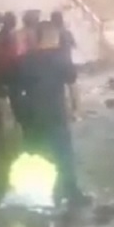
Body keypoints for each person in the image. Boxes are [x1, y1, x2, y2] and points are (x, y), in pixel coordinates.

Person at [16, 20, 89, 208]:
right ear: (53, 37)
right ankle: (71, 194)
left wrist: (21, 117)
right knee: (64, 156)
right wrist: (76, 110)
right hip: (56, 116)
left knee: (36, 156)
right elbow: (73, 87)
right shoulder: (62, 58)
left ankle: (37, 196)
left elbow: (17, 92)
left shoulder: (25, 60)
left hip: (32, 118)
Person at [0, 11, 23, 124]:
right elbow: (13, 54)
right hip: (11, 70)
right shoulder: (10, 36)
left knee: (2, 96)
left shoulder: (0, 35)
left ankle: (2, 121)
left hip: (0, 70)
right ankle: (15, 122)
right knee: (14, 97)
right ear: (12, 22)